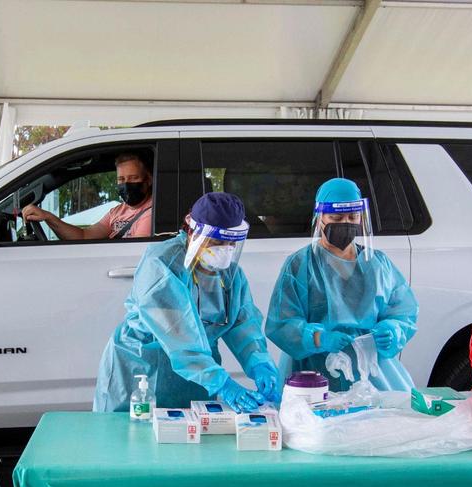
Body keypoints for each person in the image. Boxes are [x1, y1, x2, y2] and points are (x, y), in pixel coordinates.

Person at [94, 192, 280, 413]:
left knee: (190, 438)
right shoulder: (163, 264)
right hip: (142, 369)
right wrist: (223, 384)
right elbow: (178, 334)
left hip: (197, 376)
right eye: (217, 241)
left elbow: (243, 323)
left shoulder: (230, 275)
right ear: (192, 231)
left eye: (232, 242)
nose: (225, 250)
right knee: (131, 439)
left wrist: (259, 363)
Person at [266, 178, 418, 393]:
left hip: (372, 374)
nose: (345, 222)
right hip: (313, 377)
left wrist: (392, 330)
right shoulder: (300, 265)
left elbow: (403, 311)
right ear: (320, 218)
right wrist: (318, 338)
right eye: (336, 217)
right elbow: (281, 322)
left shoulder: (377, 263)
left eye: (352, 216)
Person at [21, 153, 153, 240]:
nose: (126, 184)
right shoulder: (117, 211)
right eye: (121, 179)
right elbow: (84, 236)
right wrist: (48, 217)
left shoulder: (152, 212)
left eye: (133, 178)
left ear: (148, 180)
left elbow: (133, 255)